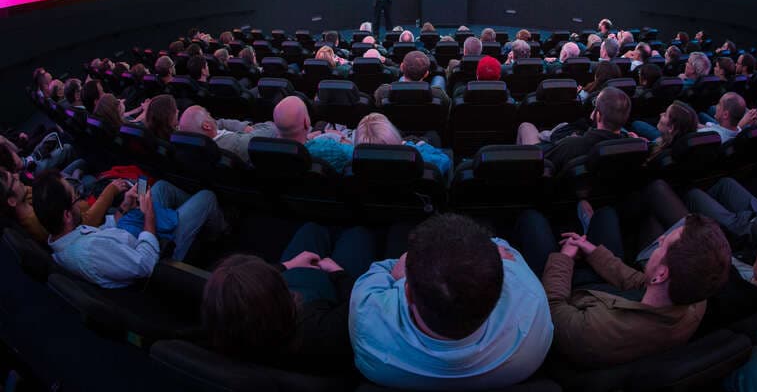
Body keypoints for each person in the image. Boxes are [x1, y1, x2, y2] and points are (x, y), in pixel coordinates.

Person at [349, 213, 553, 389]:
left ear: (408, 293)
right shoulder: (530, 296)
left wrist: (403, 267)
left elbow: (383, 269)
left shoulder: (365, 314)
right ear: (501, 289)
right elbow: (500, 246)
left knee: (363, 233)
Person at [540, 212, 731, 367]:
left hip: (568, 297)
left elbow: (552, 308)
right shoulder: (696, 298)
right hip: (605, 292)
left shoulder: (596, 331)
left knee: (533, 219)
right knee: (607, 214)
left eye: (664, 243)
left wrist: (564, 258)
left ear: (661, 274)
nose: (661, 238)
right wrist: (593, 251)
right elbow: (640, 282)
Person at [201, 222, 375, 372]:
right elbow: (358, 301)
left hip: (292, 306)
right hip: (327, 304)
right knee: (358, 234)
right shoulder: (322, 334)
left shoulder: (223, 330)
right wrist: (338, 272)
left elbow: (239, 288)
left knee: (311, 229)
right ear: (283, 294)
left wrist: (287, 265)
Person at [32, 171, 160, 288]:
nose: (80, 201)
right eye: (77, 197)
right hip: (151, 254)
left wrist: (124, 206)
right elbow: (147, 264)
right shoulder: (91, 250)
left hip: (130, 239)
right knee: (162, 187)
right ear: (67, 216)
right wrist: (149, 214)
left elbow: (102, 233)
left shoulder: (65, 238)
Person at [518, 87, 631, 171]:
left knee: (526, 126)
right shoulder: (632, 145)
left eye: (595, 104)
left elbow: (538, 158)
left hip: (547, 166)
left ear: (598, 115)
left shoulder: (572, 143)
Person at [273, 96, 354, 173]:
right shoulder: (329, 147)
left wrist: (317, 134)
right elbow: (357, 153)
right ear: (306, 122)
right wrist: (339, 138)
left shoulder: (267, 150)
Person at [353, 113, 451, 175]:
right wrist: (421, 146)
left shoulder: (354, 164)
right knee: (432, 134)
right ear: (392, 134)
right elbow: (446, 161)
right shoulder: (415, 156)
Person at [178, 105, 277, 165]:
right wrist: (253, 127)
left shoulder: (194, 148)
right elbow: (271, 128)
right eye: (207, 114)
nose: (210, 114)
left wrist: (243, 126)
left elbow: (219, 122)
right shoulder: (235, 144)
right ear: (207, 126)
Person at [374, 51, 449, 110]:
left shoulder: (383, 91)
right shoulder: (438, 93)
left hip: (393, 128)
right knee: (439, 78)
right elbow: (446, 108)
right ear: (426, 74)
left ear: (401, 67)